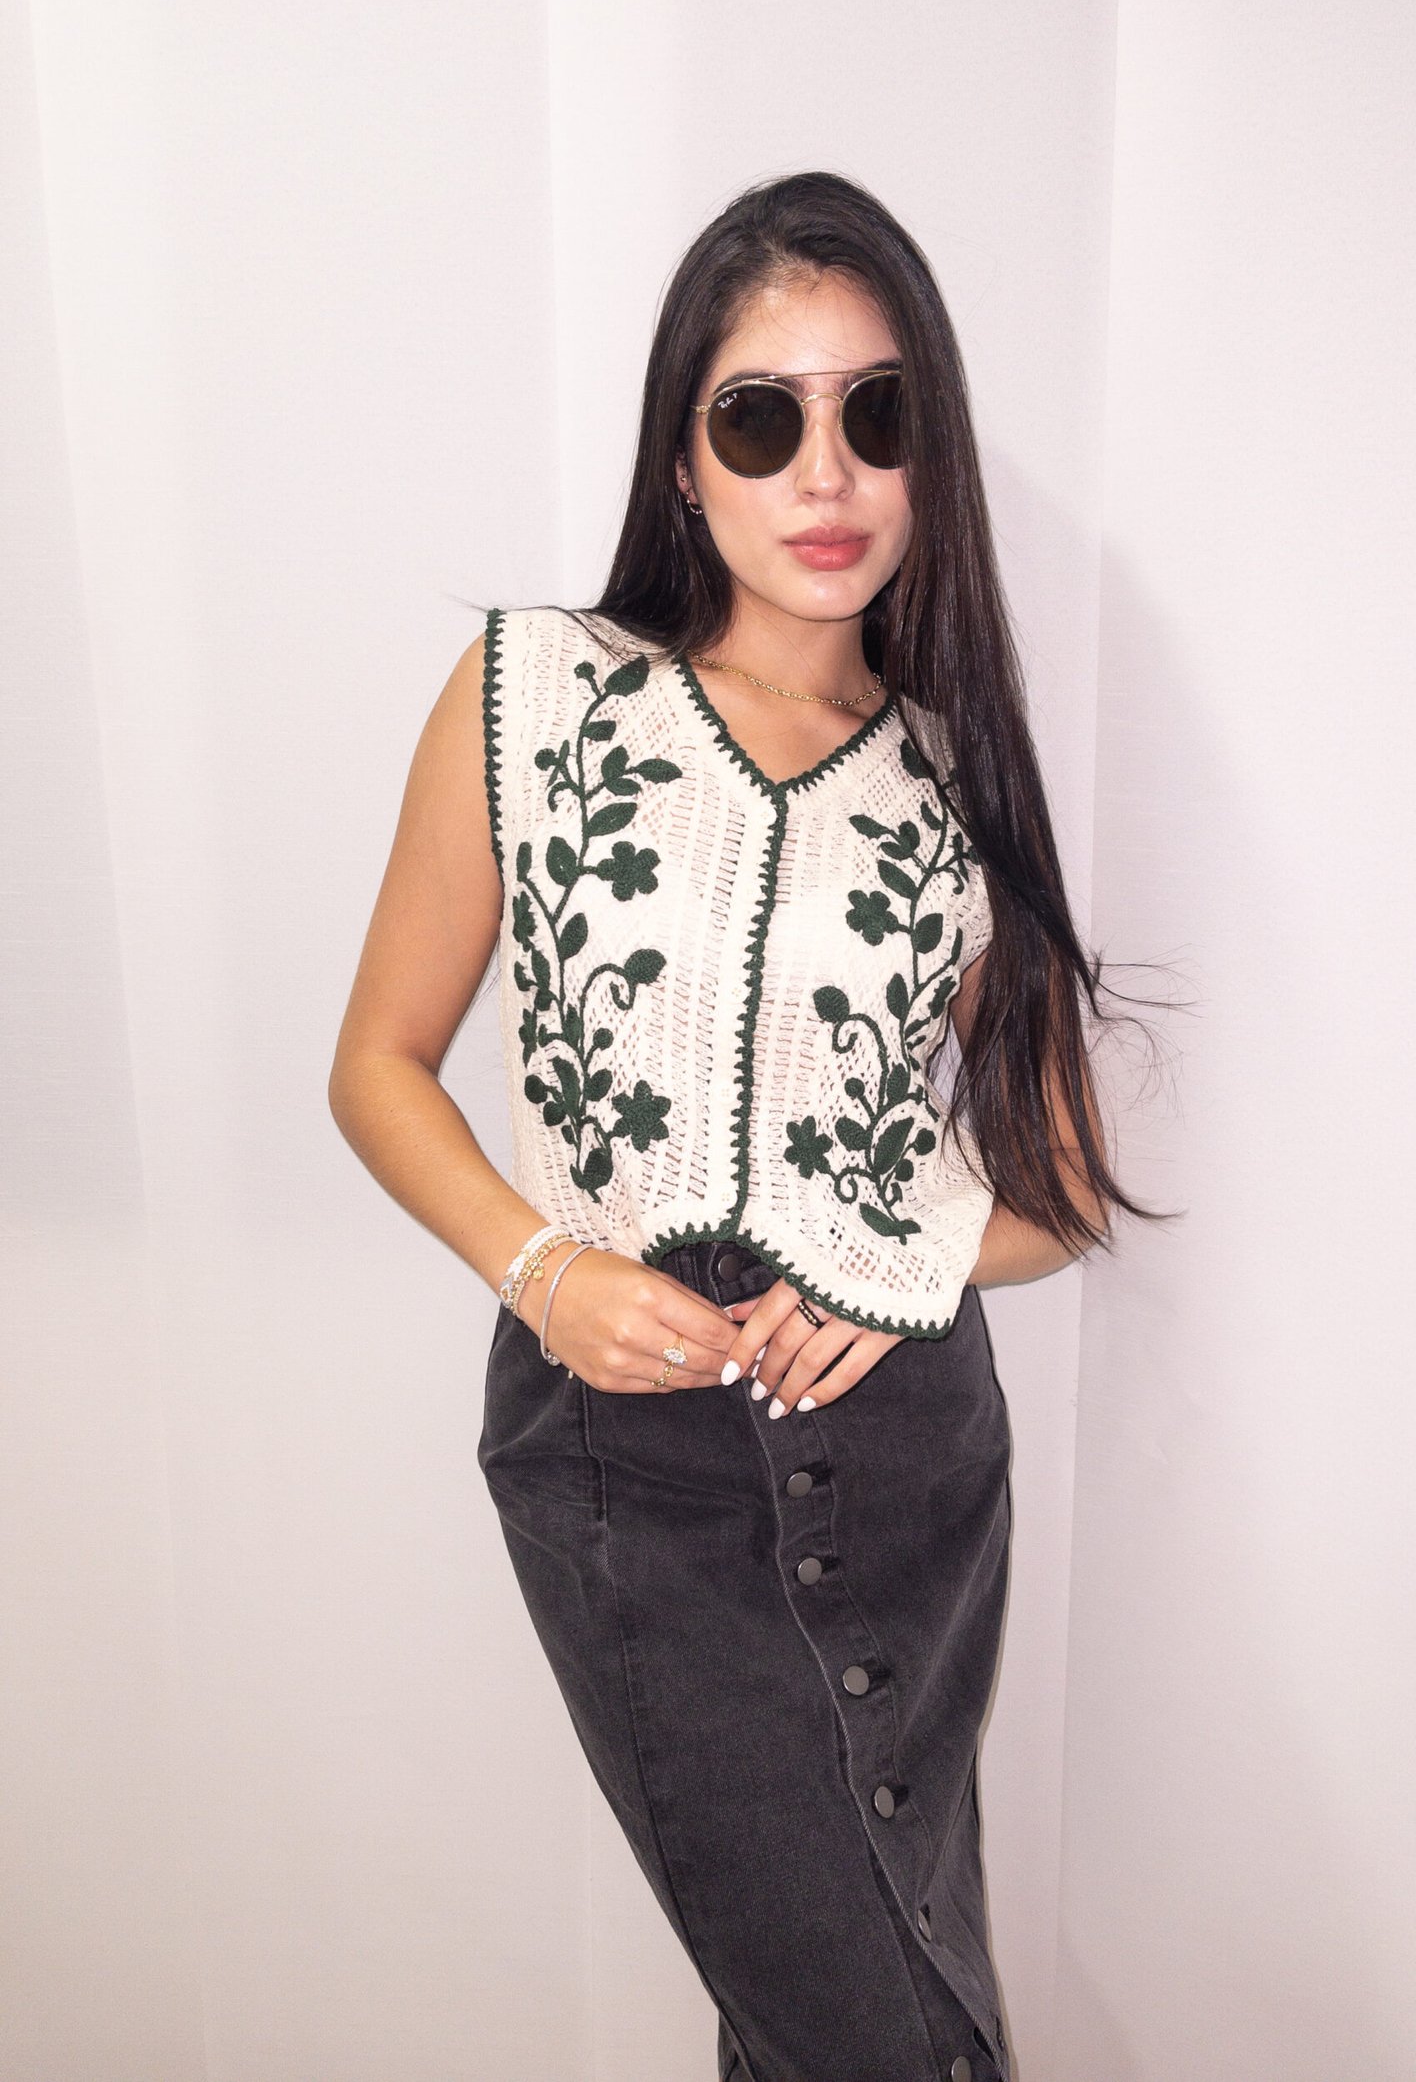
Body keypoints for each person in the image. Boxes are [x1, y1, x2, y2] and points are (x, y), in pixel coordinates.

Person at [329, 169, 1161, 2082]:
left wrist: (900, 1262)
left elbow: (1059, 1189)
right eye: (763, 417)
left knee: (846, 2012)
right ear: (684, 459)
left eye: (880, 412)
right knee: (873, 2021)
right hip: (629, 1460)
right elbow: (378, 1059)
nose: (828, 471)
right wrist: (541, 1269)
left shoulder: (954, 784)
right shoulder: (538, 690)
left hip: (906, 1452)